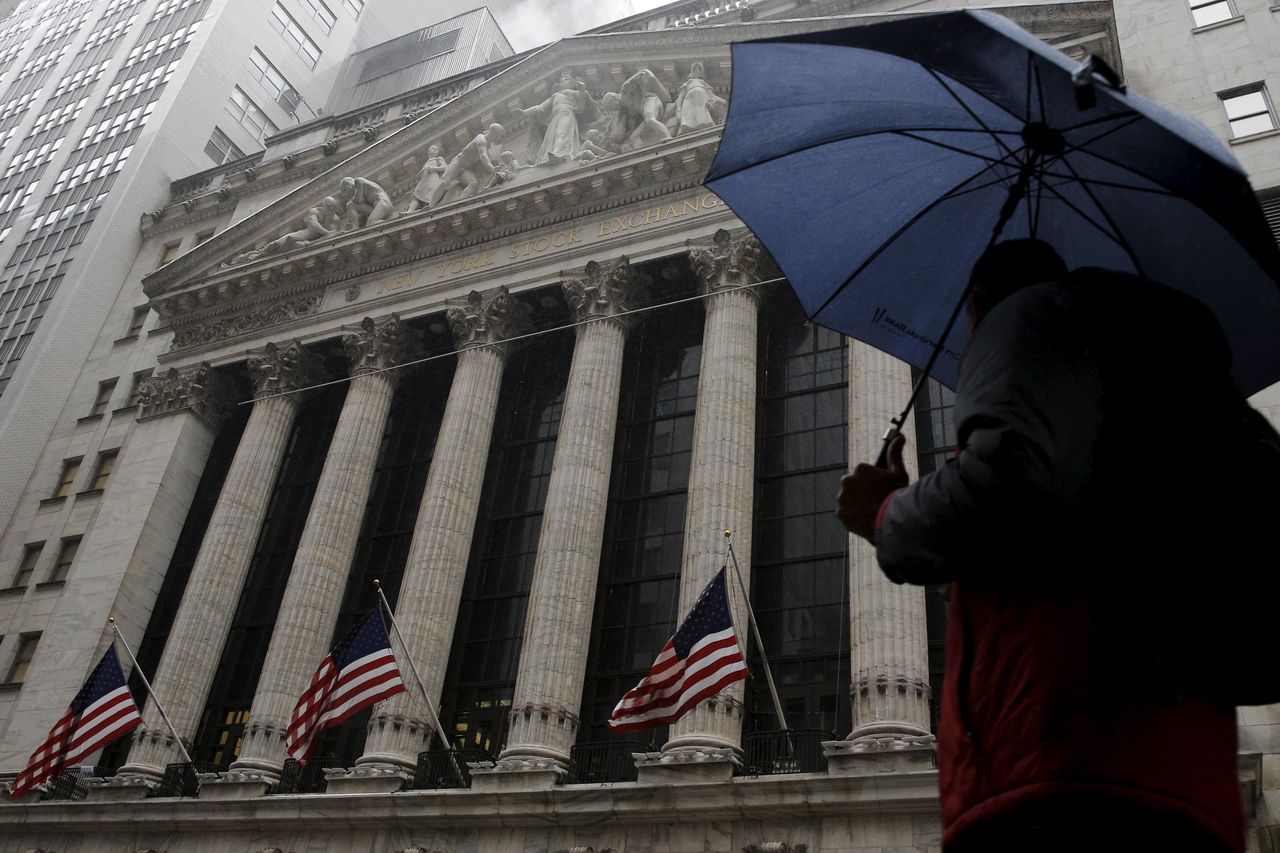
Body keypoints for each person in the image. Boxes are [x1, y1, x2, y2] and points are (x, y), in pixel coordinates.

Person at [836, 239, 1243, 853]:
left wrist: (888, 511)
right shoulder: (1166, 388)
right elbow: (1067, 558)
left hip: (1055, 767)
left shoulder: (1035, 327)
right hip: (1186, 777)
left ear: (976, 307)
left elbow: (1005, 486)